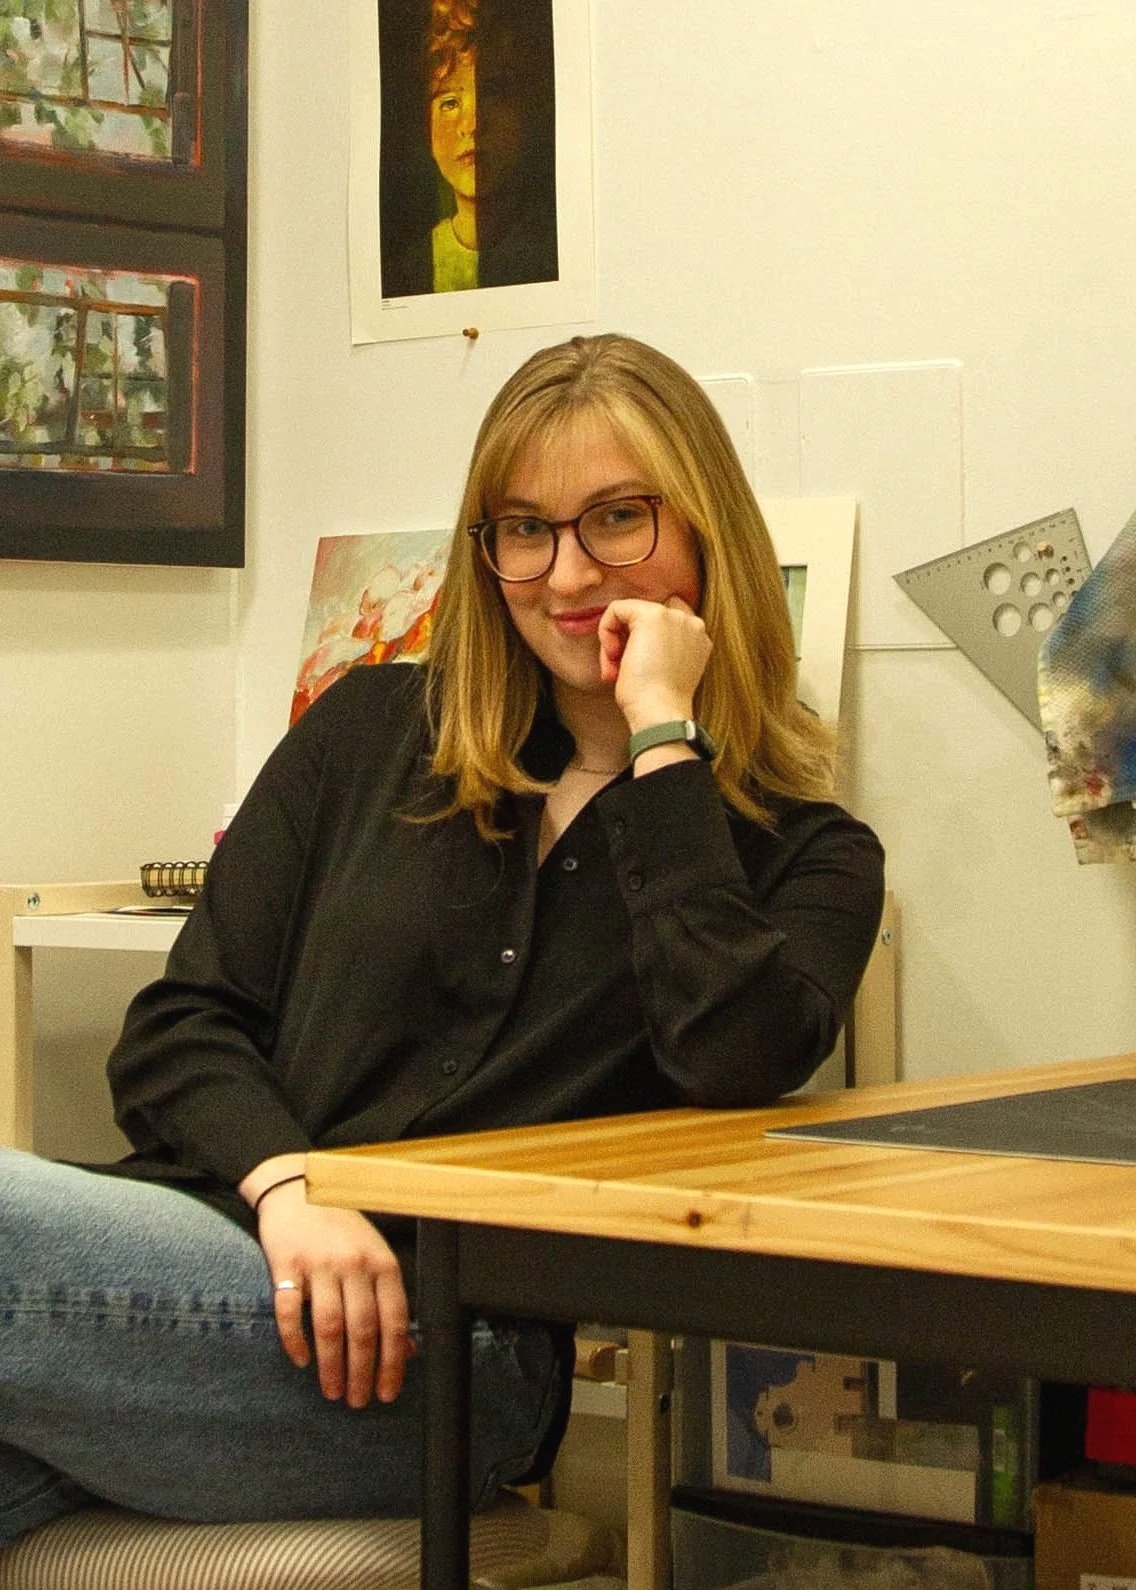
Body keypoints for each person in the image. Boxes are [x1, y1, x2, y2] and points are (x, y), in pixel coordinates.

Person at [0, 332, 885, 1546]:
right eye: (524, 528)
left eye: (616, 518)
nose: (567, 574)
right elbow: (179, 1026)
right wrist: (290, 1183)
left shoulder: (806, 855)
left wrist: (662, 738)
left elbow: (735, 1053)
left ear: (703, 533)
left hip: (445, 1357)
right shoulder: (367, 732)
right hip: (212, 1255)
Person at [381, 0, 559, 297]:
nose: (472, 124)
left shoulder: (551, 251)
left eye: (494, 94)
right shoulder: (406, 272)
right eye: (449, 103)